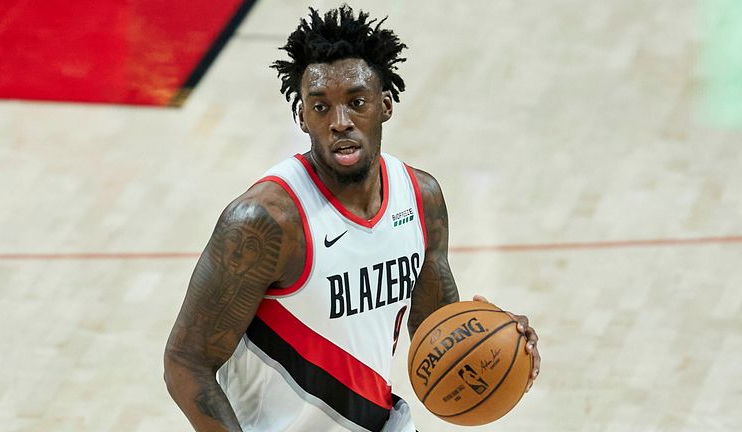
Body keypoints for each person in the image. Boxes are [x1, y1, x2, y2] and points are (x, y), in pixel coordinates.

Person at [164, 5, 540, 431]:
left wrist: (499, 341)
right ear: (302, 117)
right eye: (321, 108)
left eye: (356, 102)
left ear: (385, 105)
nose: (340, 122)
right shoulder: (265, 221)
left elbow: (438, 333)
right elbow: (185, 362)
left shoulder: (421, 198)